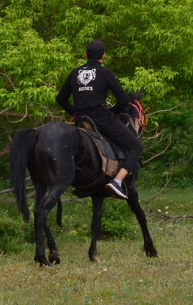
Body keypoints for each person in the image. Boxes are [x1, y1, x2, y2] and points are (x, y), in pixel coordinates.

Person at [55, 39, 142, 199]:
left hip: (82, 121)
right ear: (103, 56)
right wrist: (111, 112)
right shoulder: (106, 72)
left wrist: (74, 112)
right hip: (102, 119)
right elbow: (123, 101)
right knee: (136, 146)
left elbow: (60, 98)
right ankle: (117, 181)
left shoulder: (75, 72)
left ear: (85, 54)